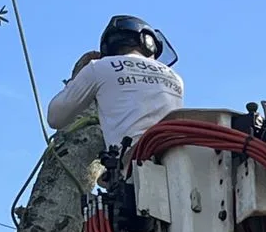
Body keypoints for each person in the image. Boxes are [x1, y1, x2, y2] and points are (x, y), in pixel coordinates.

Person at [47, 15, 184, 150]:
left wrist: (76, 79)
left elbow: (55, 117)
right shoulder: (174, 77)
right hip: (179, 161)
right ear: (148, 43)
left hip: (133, 162)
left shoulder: (99, 67)